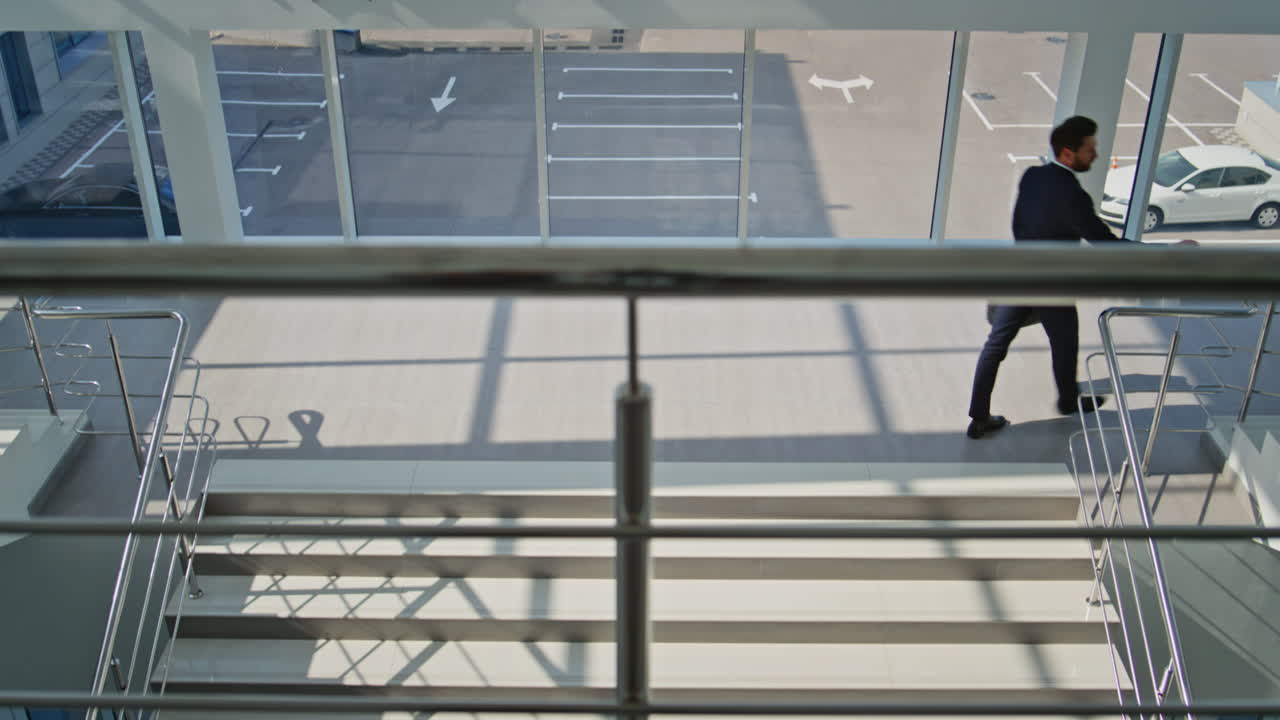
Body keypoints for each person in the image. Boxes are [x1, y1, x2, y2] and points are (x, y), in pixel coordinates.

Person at [966, 115, 1194, 439]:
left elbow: (1024, 224)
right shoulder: (1073, 197)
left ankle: (979, 418)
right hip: (1051, 285)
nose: (1096, 155)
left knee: (995, 346)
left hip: (1016, 274)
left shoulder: (1031, 176)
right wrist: (1169, 251)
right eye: (1090, 149)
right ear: (1068, 153)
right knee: (1064, 342)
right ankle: (1068, 401)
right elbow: (1108, 246)